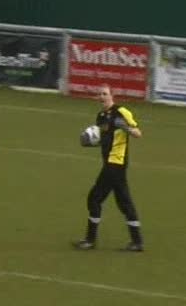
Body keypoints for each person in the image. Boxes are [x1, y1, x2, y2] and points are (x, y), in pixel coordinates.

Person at [73, 85, 144, 252]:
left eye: (105, 94)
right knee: (124, 201)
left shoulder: (121, 112)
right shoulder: (101, 116)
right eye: (100, 94)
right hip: (109, 163)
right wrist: (90, 142)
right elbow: (105, 140)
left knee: (94, 198)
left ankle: (90, 240)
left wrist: (124, 127)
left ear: (112, 95)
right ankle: (137, 241)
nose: (102, 96)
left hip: (116, 163)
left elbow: (138, 133)